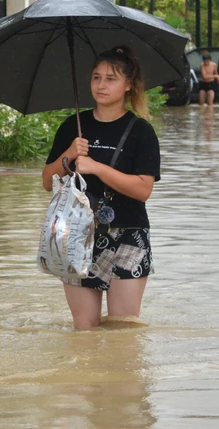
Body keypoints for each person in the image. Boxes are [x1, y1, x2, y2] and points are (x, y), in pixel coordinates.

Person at [41, 47, 161, 330]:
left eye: (110, 78)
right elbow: (47, 181)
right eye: (96, 77)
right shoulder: (73, 126)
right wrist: (68, 154)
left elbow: (143, 190)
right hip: (78, 235)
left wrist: (96, 167)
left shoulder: (141, 131)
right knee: (84, 330)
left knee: (124, 330)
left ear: (128, 84)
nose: (101, 85)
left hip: (129, 235)